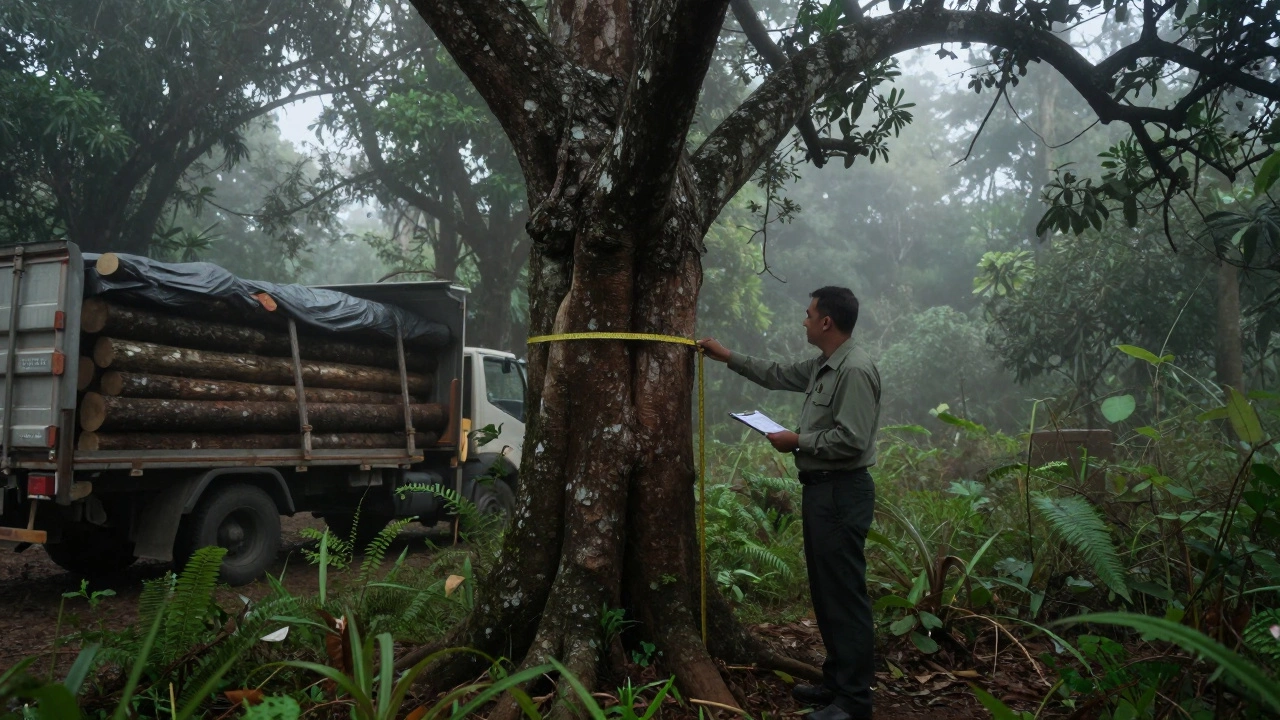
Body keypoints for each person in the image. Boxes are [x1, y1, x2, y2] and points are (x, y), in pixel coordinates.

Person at [698, 286, 881, 720]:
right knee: (825, 590)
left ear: (826, 322)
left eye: (808, 313)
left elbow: (852, 439)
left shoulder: (854, 370)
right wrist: (728, 357)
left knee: (844, 594)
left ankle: (854, 701)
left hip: (842, 490)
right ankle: (836, 684)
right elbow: (779, 374)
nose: (803, 320)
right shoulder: (825, 365)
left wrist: (797, 440)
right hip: (822, 490)